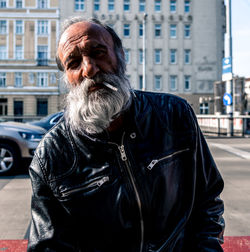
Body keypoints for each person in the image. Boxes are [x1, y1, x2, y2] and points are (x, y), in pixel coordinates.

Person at [28, 17, 225, 252]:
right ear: (67, 78)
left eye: (98, 52)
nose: (89, 68)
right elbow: (48, 247)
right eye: (74, 62)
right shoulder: (52, 154)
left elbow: (207, 200)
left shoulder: (174, 115)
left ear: (120, 56)